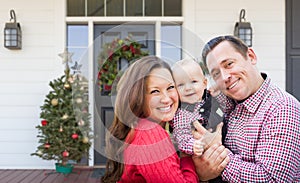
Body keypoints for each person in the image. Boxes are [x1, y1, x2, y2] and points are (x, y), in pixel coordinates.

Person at [193, 35, 300, 182]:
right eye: (216, 73)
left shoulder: (282, 108)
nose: (224, 77)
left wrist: (216, 157)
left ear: (251, 56)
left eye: (229, 64)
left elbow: (272, 179)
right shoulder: (224, 101)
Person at [101, 56, 199, 183]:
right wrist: (188, 159)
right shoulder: (150, 133)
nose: (166, 99)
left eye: (170, 87)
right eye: (155, 91)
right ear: (137, 98)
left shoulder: (140, 128)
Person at [171, 58, 224, 156]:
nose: (188, 88)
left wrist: (219, 88)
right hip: (203, 152)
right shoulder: (182, 113)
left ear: (204, 83)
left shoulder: (212, 98)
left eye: (194, 81)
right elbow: (181, 137)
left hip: (224, 142)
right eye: (181, 85)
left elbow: (226, 105)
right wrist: (193, 145)